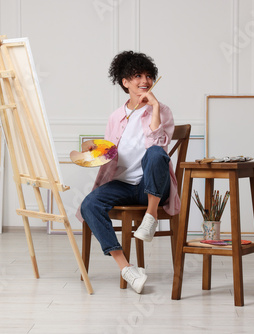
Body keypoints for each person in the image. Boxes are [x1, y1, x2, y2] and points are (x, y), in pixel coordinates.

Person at [76, 50, 180, 294]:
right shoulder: (115, 117)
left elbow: (159, 146)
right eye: (137, 76)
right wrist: (90, 147)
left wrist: (153, 107)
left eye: (148, 76)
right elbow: (109, 154)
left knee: (155, 154)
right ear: (125, 82)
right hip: (123, 185)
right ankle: (127, 268)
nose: (144, 81)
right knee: (89, 204)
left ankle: (151, 218)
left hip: (152, 188)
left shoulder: (162, 110)